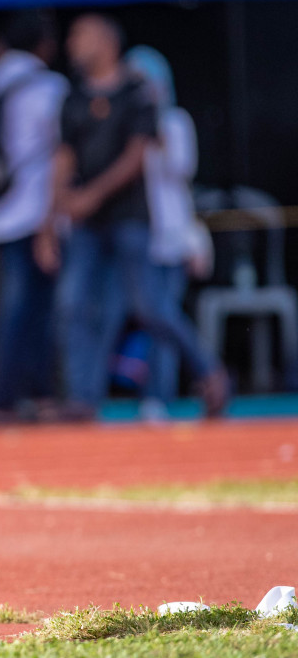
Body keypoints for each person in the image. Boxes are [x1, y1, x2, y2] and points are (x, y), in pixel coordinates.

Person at [37, 14, 229, 418]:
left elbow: (136, 156)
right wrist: (50, 220)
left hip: (130, 218)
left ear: (106, 42)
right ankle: (82, 400)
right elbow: (63, 158)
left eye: (81, 35)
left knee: (151, 306)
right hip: (87, 223)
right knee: (74, 305)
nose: (72, 43)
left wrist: (91, 194)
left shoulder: (137, 93)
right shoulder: (74, 98)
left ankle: (210, 373)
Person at [0, 12, 69, 418]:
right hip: (33, 211)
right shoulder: (49, 86)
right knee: (28, 308)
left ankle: (16, 394)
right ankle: (7, 396)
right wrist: (50, 224)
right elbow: (61, 153)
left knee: (10, 307)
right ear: (44, 44)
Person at [123, 46, 211, 412]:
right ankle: (152, 393)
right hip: (139, 234)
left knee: (164, 316)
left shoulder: (175, 121)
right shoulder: (124, 125)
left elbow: (181, 170)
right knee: (147, 316)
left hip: (173, 236)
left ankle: (162, 395)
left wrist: (155, 129)